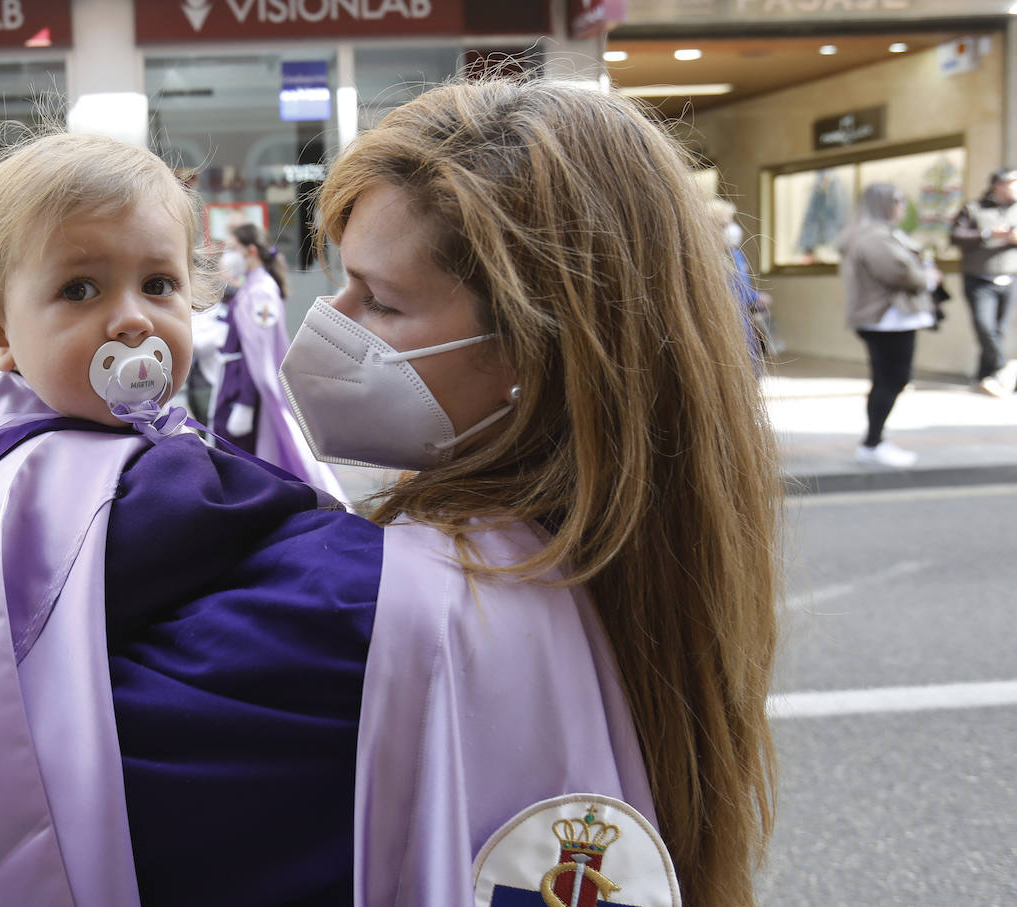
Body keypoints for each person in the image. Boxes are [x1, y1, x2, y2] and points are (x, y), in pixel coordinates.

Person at [280, 77, 780, 906]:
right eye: (343, 281)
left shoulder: (362, 601)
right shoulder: (646, 551)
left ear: (535, 353)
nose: (332, 319)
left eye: (382, 300)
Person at [0, 129, 383, 906]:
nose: (132, 320)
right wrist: (304, 502)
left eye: (158, 284)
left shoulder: (99, 445)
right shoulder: (43, 467)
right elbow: (198, 512)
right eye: (80, 290)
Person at [189, 221, 343, 492]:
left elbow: (257, 355)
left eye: (233, 248)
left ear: (250, 251)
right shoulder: (254, 287)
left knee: (244, 463)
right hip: (234, 387)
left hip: (242, 392)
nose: (228, 256)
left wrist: (245, 403)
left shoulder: (261, 291)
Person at [840, 182, 938, 469]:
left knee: (890, 380)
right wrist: (927, 277)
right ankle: (873, 443)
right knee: (891, 381)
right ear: (883, 204)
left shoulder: (874, 234)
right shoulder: (873, 237)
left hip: (887, 318)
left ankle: (876, 437)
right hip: (886, 318)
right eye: (898, 201)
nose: (902, 207)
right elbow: (898, 273)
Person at [950, 166, 1017, 396]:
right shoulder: (974, 208)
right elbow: (955, 236)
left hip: (1010, 276)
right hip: (979, 277)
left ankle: (984, 376)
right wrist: (988, 235)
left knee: (999, 330)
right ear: (998, 185)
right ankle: (1003, 369)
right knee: (984, 326)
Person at [710, 197, 778, 369]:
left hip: (743, 324)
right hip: (721, 326)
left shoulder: (736, 254)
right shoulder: (707, 259)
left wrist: (755, 297)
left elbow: (741, 287)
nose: (731, 229)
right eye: (724, 225)